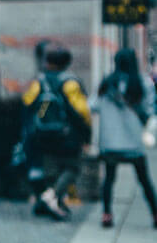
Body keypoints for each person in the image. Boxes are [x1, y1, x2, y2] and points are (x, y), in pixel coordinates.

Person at [21, 43, 91, 221]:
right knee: (72, 168)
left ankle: (52, 203)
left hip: (43, 134)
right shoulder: (70, 82)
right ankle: (51, 199)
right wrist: (87, 133)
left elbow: (27, 102)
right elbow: (82, 111)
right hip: (67, 134)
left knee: (52, 170)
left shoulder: (39, 81)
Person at [93, 48, 157, 228]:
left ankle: (106, 214)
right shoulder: (142, 83)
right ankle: (155, 214)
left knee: (109, 179)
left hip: (110, 142)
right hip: (133, 141)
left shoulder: (107, 83)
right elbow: (148, 109)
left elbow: (93, 105)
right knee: (144, 180)